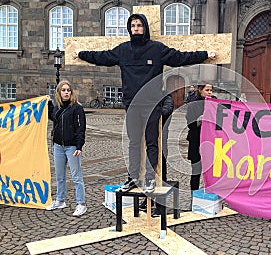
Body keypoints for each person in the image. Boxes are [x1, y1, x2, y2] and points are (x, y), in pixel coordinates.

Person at [72, 13, 217, 194]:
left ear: (145, 27)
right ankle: (133, 178)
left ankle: (149, 179)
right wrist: (81, 54)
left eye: (139, 25)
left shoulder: (156, 49)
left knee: (151, 143)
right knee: (134, 143)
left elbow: (180, 57)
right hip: (132, 105)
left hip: (151, 104)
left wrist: (204, 55)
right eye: (133, 26)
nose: (136, 29)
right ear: (129, 29)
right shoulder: (123, 50)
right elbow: (103, 56)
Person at [46, 80, 87, 216]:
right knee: (59, 176)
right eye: (63, 90)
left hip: (72, 147)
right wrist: (47, 103)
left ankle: (81, 204)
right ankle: (60, 200)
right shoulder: (57, 108)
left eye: (68, 90)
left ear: (71, 92)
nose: (66, 92)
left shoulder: (77, 108)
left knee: (76, 177)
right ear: (59, 92)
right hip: (58, 146)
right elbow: (52, 115)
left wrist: (79, 146)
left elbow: (81, 129)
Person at [185, 84, 214, 191]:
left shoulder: (214, 102)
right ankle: (194, 195)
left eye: (211, 90)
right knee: (196, 171)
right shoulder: (193, 104)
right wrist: (199, 121)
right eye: (207, 90)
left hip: (211, 141)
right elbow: (190, 124)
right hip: (196, 141)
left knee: (213, 171)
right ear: (200, 90)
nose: (210, 92)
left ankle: (211, 195)